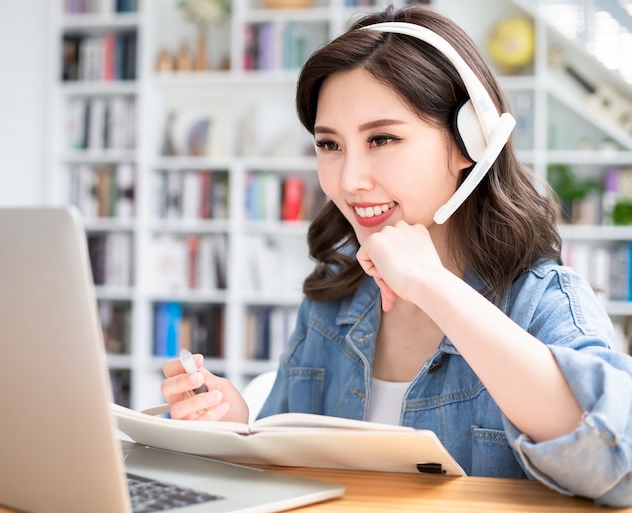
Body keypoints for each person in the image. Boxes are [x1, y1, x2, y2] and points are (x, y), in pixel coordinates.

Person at [160, 4, 632, 506]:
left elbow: (616, 467)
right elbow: (289, 471)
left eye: (382, 138)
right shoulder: (332, 302)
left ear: (469, 141)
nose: (348, 180)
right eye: (329, 144)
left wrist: (434, 285)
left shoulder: (542, 301)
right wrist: (234, 430)